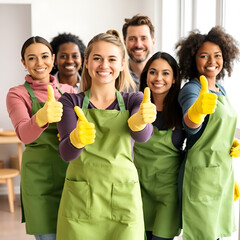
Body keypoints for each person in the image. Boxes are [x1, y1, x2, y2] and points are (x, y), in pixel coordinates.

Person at [56, 30, 157, 240]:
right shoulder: (70, 102)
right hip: (81, 199)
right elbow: (67, 154)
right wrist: (76, 139)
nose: (104, 65)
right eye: (97, 58)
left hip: (123, 199)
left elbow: (143, 136)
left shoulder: (133, 100)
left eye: (112, 59)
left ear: (122, 64)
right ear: (86, 62)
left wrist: (139, 121)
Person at [6, 36, 75, 240]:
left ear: (53, 59)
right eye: (32, 58)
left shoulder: (69, 91)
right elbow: (23, 134)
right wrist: (43, 116)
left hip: (70, 175)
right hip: (39, 180)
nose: (39, 63)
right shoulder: (17, 94)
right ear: (24, 63)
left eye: (44, 56)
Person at [175, 25, 240, 240]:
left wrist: (230, 143)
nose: (212, 61)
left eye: (217, 56)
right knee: (202, 235)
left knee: (217, 234)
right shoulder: (192, 90)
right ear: (193, 60)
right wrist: (197, 112)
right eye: (204, 56)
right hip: (200, 176)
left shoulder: (220, 88)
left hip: (222, 173)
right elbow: (191, 125)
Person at [133, 52, 184, 240]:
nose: (158, 78)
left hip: (168, 196)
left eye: (165, 73)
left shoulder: (182, 109)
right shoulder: (135, 106)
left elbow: (198, 141)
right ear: (146, 76)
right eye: (153, 72)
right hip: (137, 191)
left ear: (174, 79)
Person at [122, 14, 156, 90]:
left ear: (153, 42)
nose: (138, 45)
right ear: (124, 43)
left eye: (144, 38)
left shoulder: (164, 76)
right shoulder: (117, 76)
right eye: (132, 39)